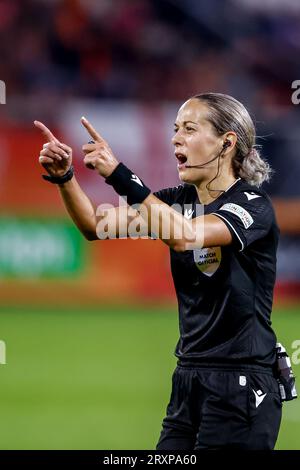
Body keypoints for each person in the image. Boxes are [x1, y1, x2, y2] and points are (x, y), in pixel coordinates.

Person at [35, 93, 282, 450]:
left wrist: (119, 175)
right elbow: (94, 224)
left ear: (227, 142)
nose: (175, 138)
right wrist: (65, 177)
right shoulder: (175, 202)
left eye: (190, 129)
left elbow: (185, 236)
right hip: (188, 379)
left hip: (241, 384)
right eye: (175, 129)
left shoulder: (253, 207)